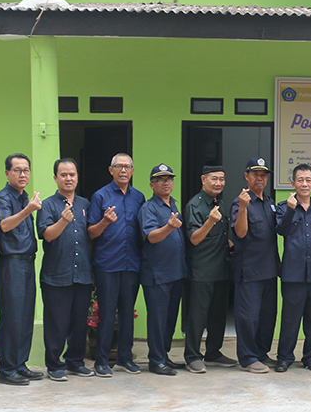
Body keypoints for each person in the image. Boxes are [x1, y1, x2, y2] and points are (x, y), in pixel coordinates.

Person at [88, 153, 145, 377]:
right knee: (107, 313)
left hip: (132, 263)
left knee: (127, 313)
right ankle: (101, 361)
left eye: (127, 167)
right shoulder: (100, 196)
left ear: (132, 171)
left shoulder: (138, 197)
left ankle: (124, 358)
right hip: (107, 264)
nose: (123, 170)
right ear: (110, 170)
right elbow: (91, 232)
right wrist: (105, 221)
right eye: (119, 166)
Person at [38, 158, 94, 381]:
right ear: (55, 178)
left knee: (79, 322)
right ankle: (54, 365)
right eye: (63, 175)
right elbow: (47, 235)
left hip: (82, 273)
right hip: (56, 274)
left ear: (77, 177)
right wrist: (62, 221)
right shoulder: (48, 205)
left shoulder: (85, 204)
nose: (68, 178)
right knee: (56, 323)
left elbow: (91, 236)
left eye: (72, 174)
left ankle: (75, 362)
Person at [0, 153, 42, 386]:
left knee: (25, 316)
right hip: (11, 263)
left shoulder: (24, 198)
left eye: (26, 170)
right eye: (17, 170)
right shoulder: (3, 198)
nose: (23, 174)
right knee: (12, 317)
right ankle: (7, 369)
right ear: (7, 173)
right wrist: (28, 210)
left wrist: (28, 206)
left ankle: (20, 365)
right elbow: (4, 225)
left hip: (27, 262)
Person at [274, 164, 311, 372]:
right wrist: (290, 210)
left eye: (308, 180)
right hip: (293, 274)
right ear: (293, 183)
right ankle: (284, 358)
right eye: (300, 180)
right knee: (290, 319)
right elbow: (281, 230)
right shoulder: (284, 207)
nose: (304, 184)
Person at [184, 163, 235, 373]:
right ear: (203, 180)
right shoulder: (194, 205)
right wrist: (210, 222)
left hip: (221, 268)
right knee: (198, 316)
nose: (218, 183)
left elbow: (221, 236)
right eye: (214, 178)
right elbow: (194, 239)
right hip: (202, 270)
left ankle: (213, 352)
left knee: (218, 315)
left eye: (222, 179)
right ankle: (192, 356)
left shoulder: (220, 203)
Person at [137, 163, 188, 376]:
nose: (166, 183)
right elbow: (151, 236)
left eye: (169, 179)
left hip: (175, 272)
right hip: (157, 274)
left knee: (169, 319)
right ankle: (156, 360)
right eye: (160, 180)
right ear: (152, 185)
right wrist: (169, 226)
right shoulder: (148, 208)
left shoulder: (173, 204)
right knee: (157, 320)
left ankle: (164, 356)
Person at [230, 158, 279, 374]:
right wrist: (243, 208)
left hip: (270, 270)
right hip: (249, 271)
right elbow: (240, 233)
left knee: (267, 317)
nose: (260, 178)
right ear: (246, 176)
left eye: (263, 175)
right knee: (248, 318)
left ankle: (261, 353)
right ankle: (248, 358)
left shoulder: (269, 202)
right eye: (255, 174)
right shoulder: (240, 202)